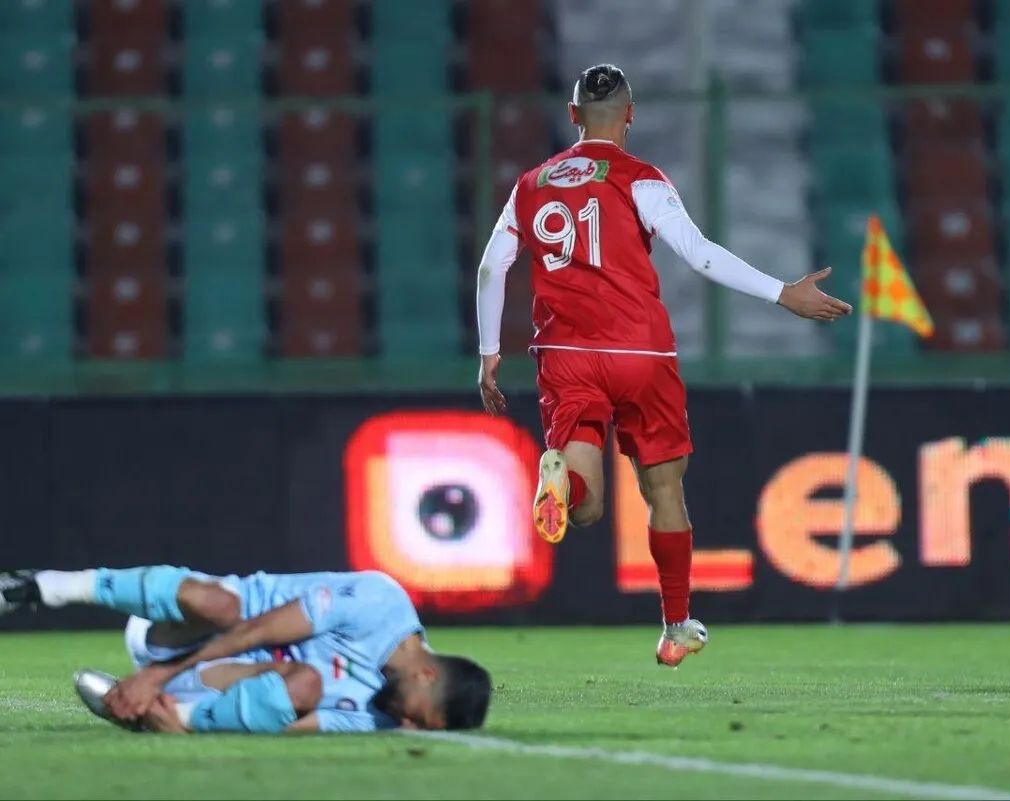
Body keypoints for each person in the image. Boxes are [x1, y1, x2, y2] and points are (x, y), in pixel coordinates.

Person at [474, 63, 853, 667]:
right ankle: (676, 627)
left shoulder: (531, 184)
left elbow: (492, 267)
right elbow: (699, 255)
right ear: (630, 114)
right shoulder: (641, 179)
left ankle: (561, 481)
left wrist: (489, 352)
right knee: (664, 490)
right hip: (640, 352)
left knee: (585, 509)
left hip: (567, 355)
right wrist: (783, 293)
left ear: (572, 116)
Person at [0, 566, 491, 734]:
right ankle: (40, 587)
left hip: (207, 685)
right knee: (224, 605)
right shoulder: (380, 602)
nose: (406, 726)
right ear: (427, 676)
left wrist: (191, 725)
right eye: (419, 718)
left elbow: (296, 724)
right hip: (183, 630)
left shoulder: (383, 715)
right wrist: (157, 673)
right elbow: (256, 632)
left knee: (305, 684)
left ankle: (163, 717)